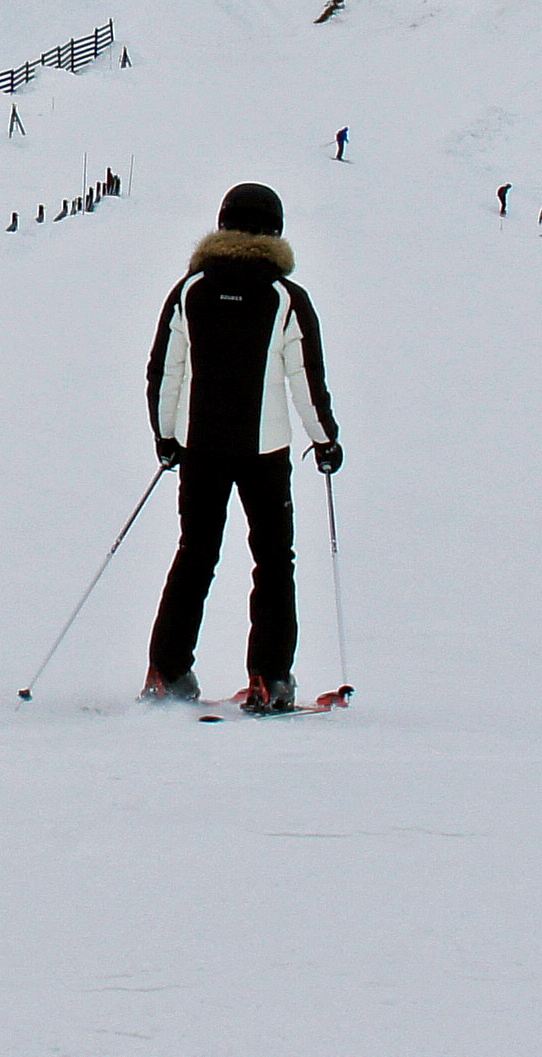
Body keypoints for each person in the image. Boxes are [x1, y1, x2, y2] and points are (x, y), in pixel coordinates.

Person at [143, 183, 342, 714]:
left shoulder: (191, 290)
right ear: (275, 230)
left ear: (223, 224)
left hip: (200, 450)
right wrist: (325, 440)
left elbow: (165, 372)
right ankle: (269, 679)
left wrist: (165, 436)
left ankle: (167, 670)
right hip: (265, 455)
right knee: (273, 561)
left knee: (195, 553)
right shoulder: (285, 297)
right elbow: (306, 381)